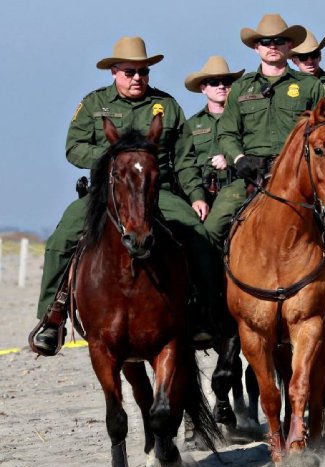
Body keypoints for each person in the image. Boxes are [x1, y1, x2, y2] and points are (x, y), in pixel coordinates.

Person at [31, 36, 217, 355]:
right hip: (107, 191)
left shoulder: (168, 106)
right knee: (62, 238)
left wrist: (197, 196)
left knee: (199, 235)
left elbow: (185, 158)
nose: (137, 78)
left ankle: (204, 313)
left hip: (160, 191)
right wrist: (114, 159)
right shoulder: (94, 104)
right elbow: (73, 148)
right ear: (114, 72)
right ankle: (51, 317)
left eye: (143, 72)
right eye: (129, 72)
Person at [206, 13, 325, 319]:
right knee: (213, 226)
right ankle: (212, 300)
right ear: (256, 48)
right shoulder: (241, 89)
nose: (273, 46)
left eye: (280, 41)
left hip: (301, 175)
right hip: (252, 174)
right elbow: (225, 132)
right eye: (266, 42)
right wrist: (238, 159)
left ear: (290, 46)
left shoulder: (310, 86)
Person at [184, 56, 245, 206]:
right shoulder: (191, 125)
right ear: (203, 88)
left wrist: (229, 159)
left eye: (226, 82)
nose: (221, 86)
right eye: (214, 82)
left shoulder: (245, 120)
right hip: (201, 192)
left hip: (237, 188)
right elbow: (184, 161)